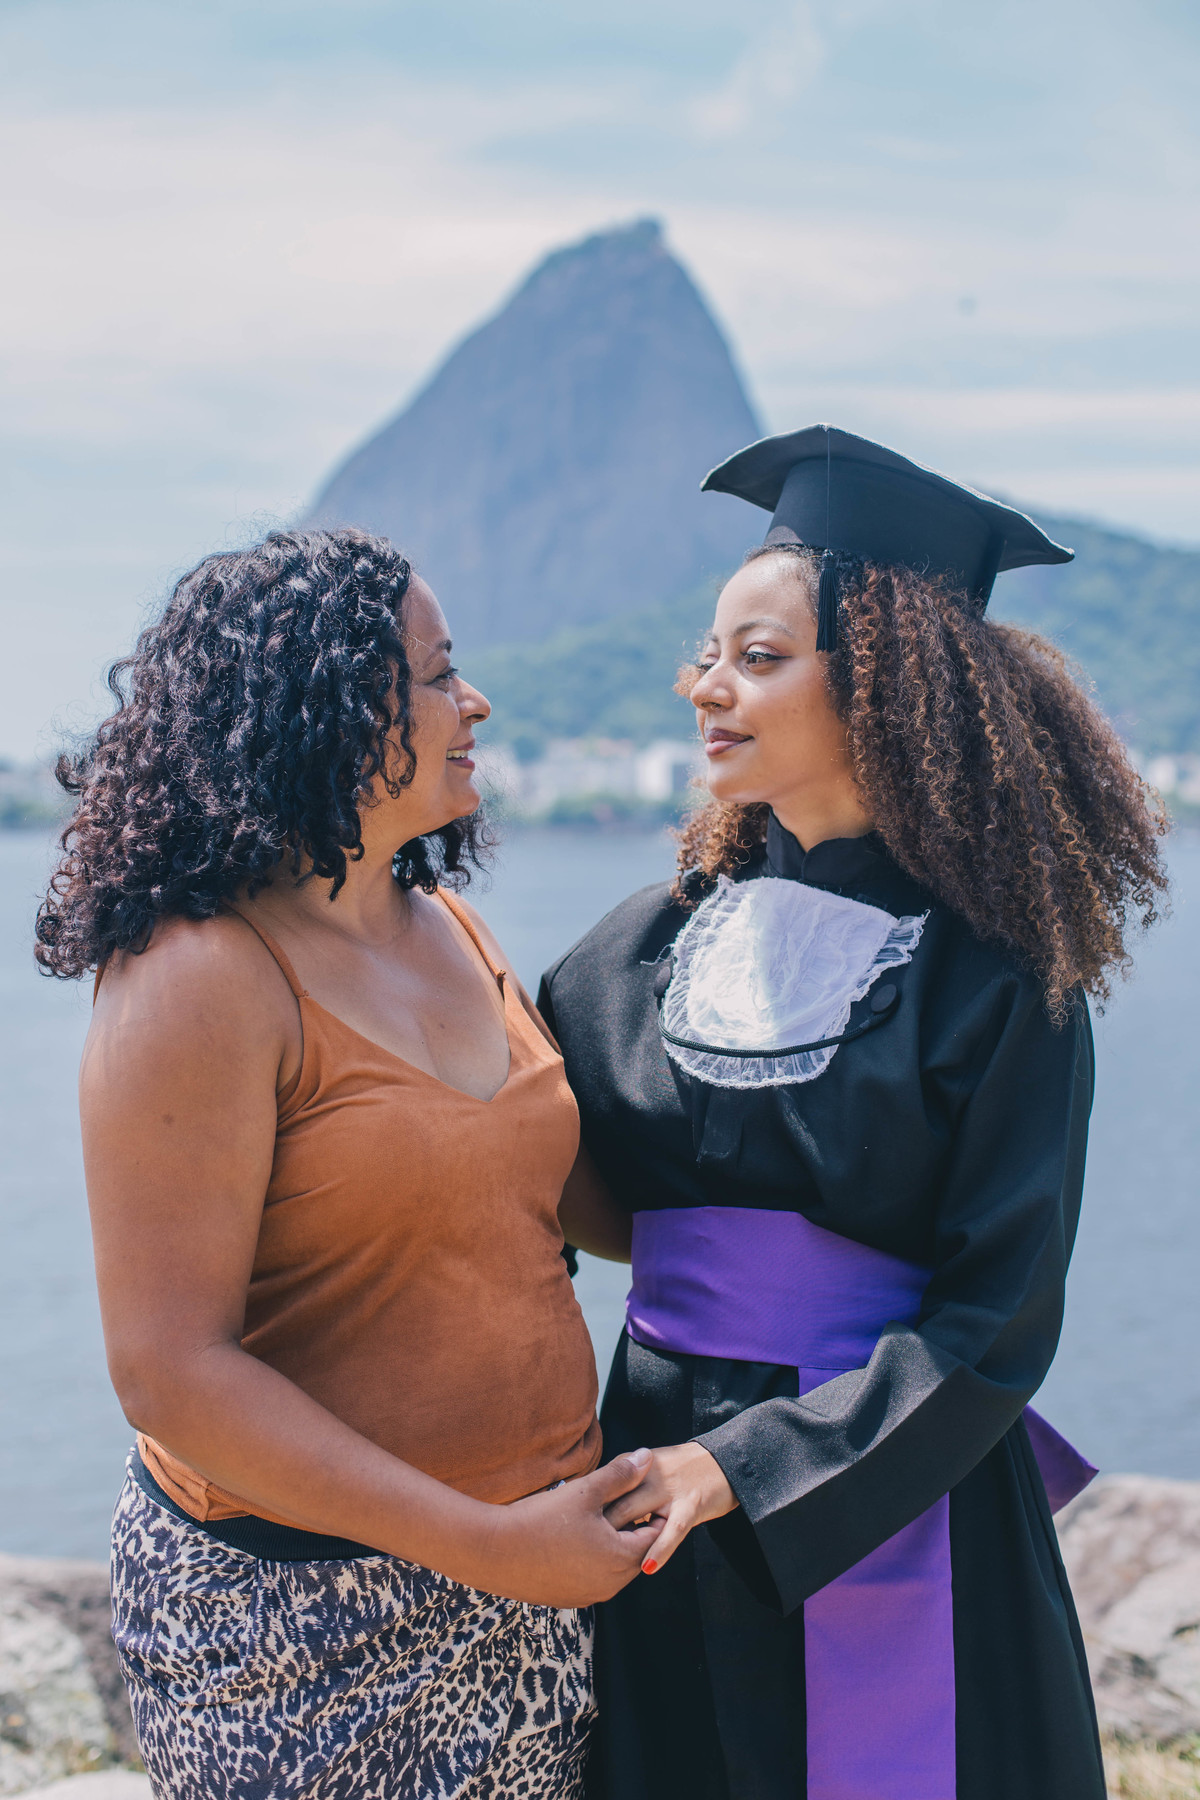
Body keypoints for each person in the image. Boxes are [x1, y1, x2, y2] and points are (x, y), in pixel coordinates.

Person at [538, 427, 1168, 1800]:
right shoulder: (641, 949)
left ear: (888, 687)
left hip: (891, 1493)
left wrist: (738, 1470)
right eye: (710, 652)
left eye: (759, 658)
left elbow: (997, 1325)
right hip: (646, 1493)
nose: (705, 685)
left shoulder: (998, 977)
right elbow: (531, 1170)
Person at [36, 528, 661, 1800]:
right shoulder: (197, 973)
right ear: (318, 706)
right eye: (436, 675)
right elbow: (169, 1370)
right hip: (295, 1625)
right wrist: (490, 1547)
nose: (472, 701)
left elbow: (571, 1206)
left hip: (531, 1581)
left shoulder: (448, 925)